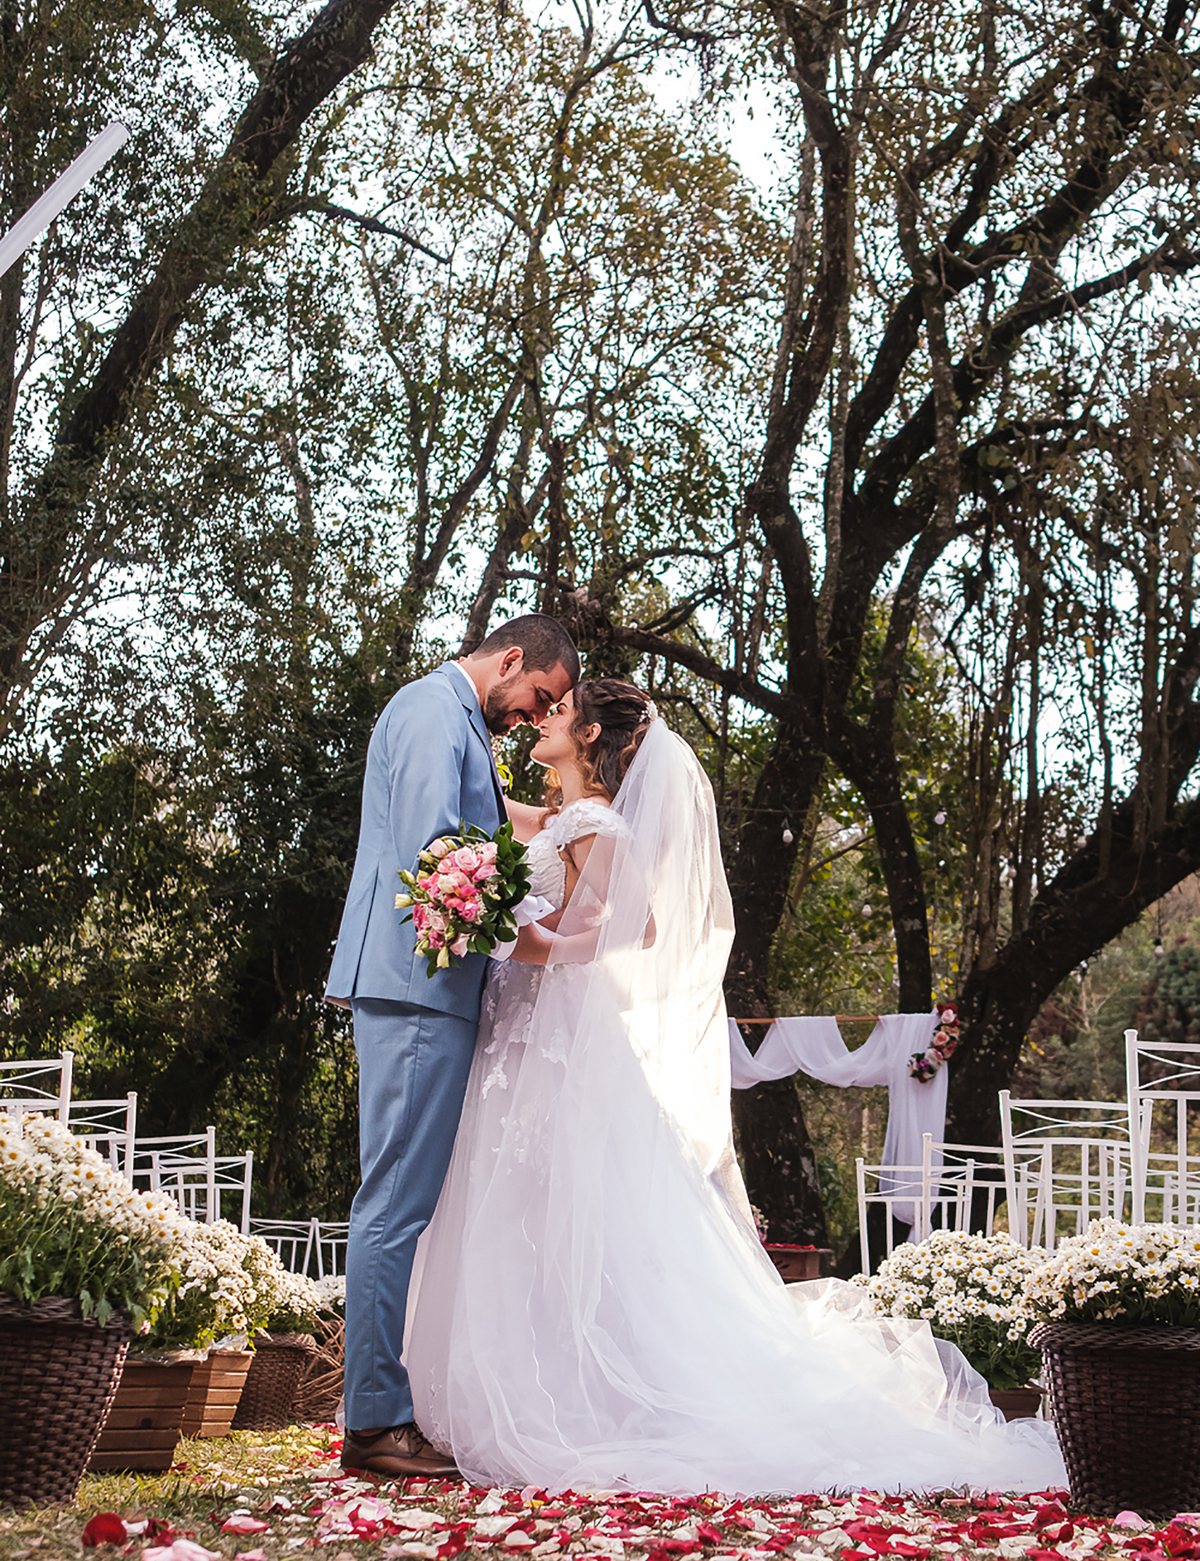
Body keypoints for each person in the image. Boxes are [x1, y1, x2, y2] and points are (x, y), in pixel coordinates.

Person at [404, 678, 1068, 1494]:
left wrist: (514, 939)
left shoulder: (597, 819)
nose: (543, 719)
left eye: (559, 712)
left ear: (591, 738)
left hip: (553, 1042)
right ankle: (532, 1373)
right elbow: (501, 821)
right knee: (525, 1206)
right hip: (524, 1039)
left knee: (562, 1205)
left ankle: (583, 1389)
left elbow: (625, 926)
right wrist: (465, 878)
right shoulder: (563, 816)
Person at [326, 615, 580, 1480]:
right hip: (414, 986)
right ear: (511, 659)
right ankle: (374, 1422)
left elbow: (480, 818)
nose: (531, 715)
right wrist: (541, 937)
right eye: (537, 696)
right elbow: (442, 858)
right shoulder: (436, 712)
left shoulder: (456, 718)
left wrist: (565, 816)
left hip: (432, 988)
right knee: (393, 1203)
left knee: (404, 1201)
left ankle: (379, 1411)